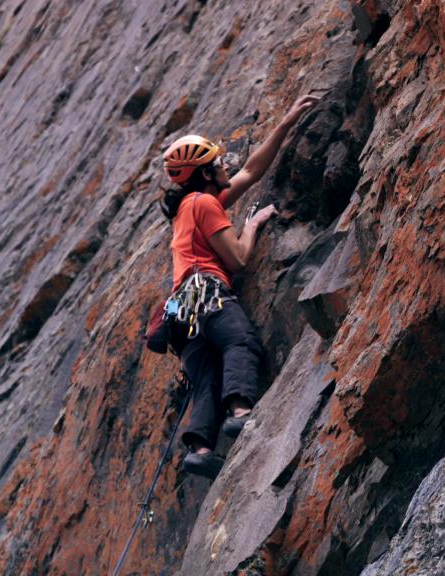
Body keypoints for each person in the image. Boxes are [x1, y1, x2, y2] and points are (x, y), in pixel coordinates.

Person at [159, 94, 319, 478]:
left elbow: (250, 172)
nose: (224, 162)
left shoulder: (190, 207)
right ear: (203, 173)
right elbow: (238, 259)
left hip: (181, 314)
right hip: (206, 294)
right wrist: (252, 225)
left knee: (206, 377)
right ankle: (241, 413)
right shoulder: (204, 204)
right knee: (240, 342)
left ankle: (200, 449)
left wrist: (285, 124)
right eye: (217, 162)